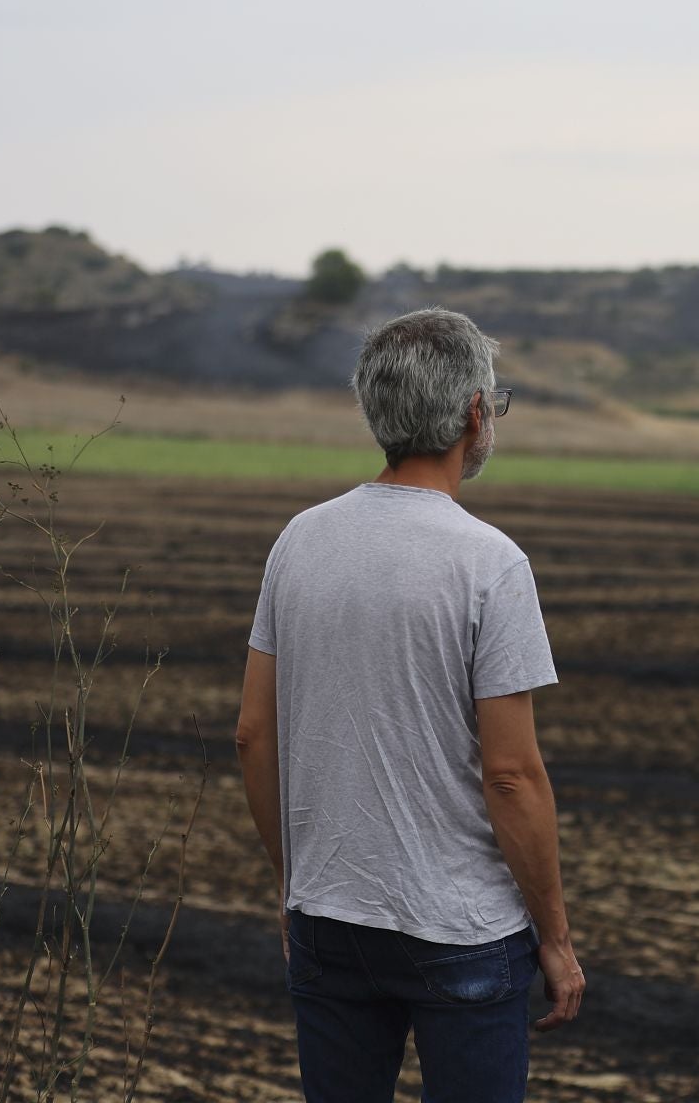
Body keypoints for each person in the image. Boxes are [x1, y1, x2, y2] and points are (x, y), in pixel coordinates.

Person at [236, 307, 586, 1103]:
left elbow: (253, 735)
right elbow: (511, 776)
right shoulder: (490, 563)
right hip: (461, 930)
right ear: (474, 413)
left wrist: (294, 886)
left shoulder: (299, 540)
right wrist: (557, 939)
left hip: (327, 918)